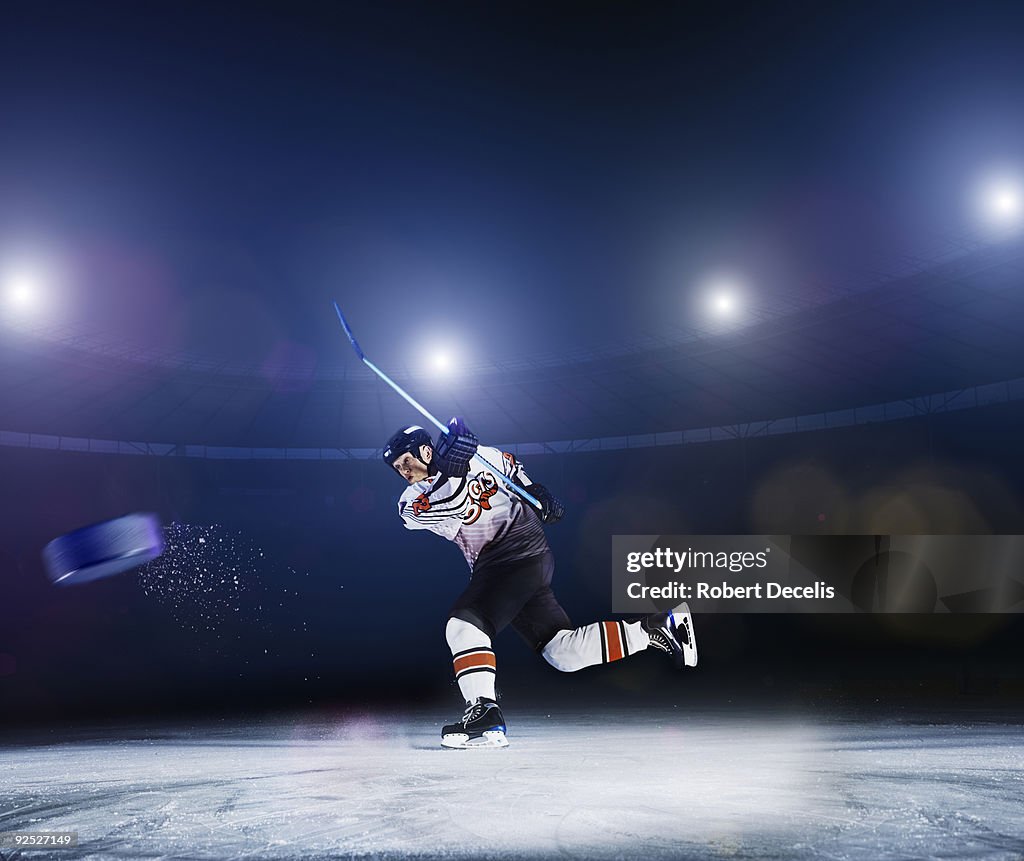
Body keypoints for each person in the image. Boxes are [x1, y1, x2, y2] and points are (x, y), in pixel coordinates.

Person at [383, 419, 697, 749]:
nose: (403, 470)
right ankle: (657, 629)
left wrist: (536, 492)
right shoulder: (410, 504)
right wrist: (454, 468)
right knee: (562, 652)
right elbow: (455, 506)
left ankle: (484, 711)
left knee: (463, 626)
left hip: (515, 555)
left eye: (406, 461)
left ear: (426, 451)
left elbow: (512, 470)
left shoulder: (480, 455)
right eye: (397, 467)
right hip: (507, 566)